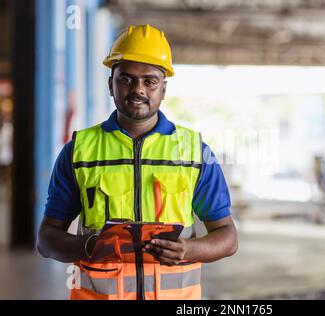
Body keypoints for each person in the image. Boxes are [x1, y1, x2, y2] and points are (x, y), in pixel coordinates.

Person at [37, 24, 238, 300]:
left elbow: (227, 236)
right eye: (126, 79)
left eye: (150, 81)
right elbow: (47, 240)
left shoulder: (195, 152)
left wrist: (187, 250)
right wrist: (90, 246)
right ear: (111, 84)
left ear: (163, 89)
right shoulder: (78, 152)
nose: (138, 89)